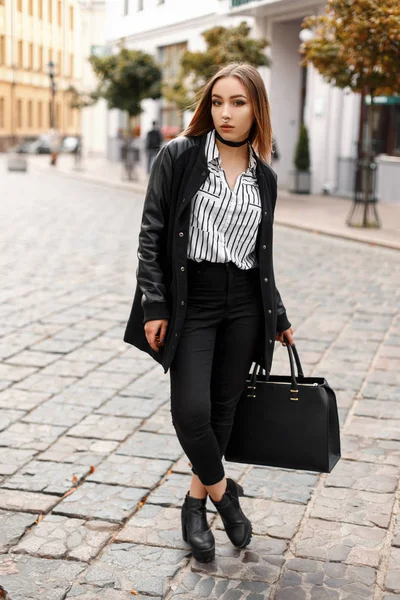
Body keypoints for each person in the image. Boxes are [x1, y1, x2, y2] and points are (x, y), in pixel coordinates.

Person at [123, 63, 295, 563]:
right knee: (190, 411)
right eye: (217, 101)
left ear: (256, 108)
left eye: (237, 102)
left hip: (244, 301)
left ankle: (194, 505)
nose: (225, 112)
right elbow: (151, 232)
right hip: (190, 298)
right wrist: (154, 302)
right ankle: (227, 499)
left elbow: (261, 253)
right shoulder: (179, 156)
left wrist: (277, 315)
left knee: (223, 410)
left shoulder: (266, 178)